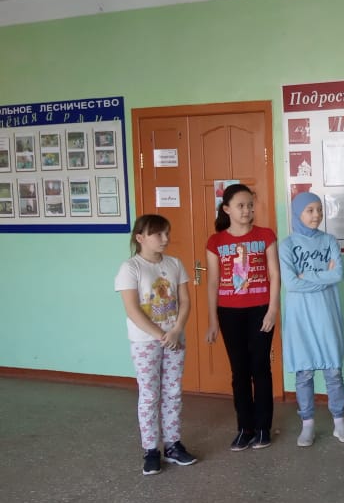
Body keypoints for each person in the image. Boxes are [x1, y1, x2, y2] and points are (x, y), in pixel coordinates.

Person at [115, 214, 197, 476]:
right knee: (150, 394)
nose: (165, 238)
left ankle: (172, 445)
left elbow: (185, 301)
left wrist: (176, 330)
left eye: (167, 233)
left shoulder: (174, 264)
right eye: (158, 234)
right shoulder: (131, 268)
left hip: (175, 339)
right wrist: (161, 335)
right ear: (140, 238)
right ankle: (151, 450)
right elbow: (132, 309)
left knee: (173, 392)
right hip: (145, 342)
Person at [205, 183, 280, 451]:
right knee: (239, 371)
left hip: (260, 309)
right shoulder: (216, 242)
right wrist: (213, 320)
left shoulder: (265, 235)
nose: (247, 210)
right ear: (226, 209)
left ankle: (263, 428)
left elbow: (274, 274)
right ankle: (244, 428)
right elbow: (212, 283)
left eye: (250, 205)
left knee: (260, 367)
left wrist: (272, 309)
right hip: (229, 312)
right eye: (240, 206)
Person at [280, 192, 344, 448]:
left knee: (333, 371)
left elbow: (338, 275)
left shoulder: (329, 240)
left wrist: (306, 277)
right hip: (300, 317)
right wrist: (323, 277)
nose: (316, 215)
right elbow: (291, 284)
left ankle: (339, 421)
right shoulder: (287, 245)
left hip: (326, 313)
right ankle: (307, 424)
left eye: (319, 209)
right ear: (297, 213)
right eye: (310, 210)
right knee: (304, 373)